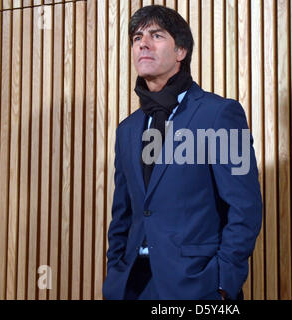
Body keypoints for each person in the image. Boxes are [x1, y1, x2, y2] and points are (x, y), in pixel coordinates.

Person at [103, 5, 262, 300]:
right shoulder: (127, 130)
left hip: (198, 287)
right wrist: (115, 272)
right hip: (133, 288)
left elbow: (246, 207)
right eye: (137, 38)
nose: (143, 44)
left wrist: (223, 283)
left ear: (181, 51)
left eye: (156, 35)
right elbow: (122, 215)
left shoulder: (220, 114)